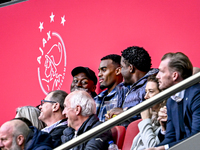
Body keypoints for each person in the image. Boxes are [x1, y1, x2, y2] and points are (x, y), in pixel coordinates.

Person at [146, 52, 200, 150]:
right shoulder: (171, 101)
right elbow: (170, 138)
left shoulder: (197, 94)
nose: (157, 76)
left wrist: (163, 148)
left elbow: (196, 138)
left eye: (161, 71)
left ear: (174, 75)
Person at [106, 46, 158, 125]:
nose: (120, 72)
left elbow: (152, 113)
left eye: (122, 67)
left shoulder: (152, 85)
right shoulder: (124, 88)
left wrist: (125, 112)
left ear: (130, 68)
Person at [131, 75, 166, 150]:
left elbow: (152, 146)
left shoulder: (164, 121)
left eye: (151, 91)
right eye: (146, 92)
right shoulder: (152, 120)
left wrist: (146, 119)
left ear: (162, 95)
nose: (146, 97)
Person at [95, 54, 123, 122]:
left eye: (104, 70)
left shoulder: (126, 94)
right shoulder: (96, 99)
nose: (99, 74)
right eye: (99, 71)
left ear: (118, 71)